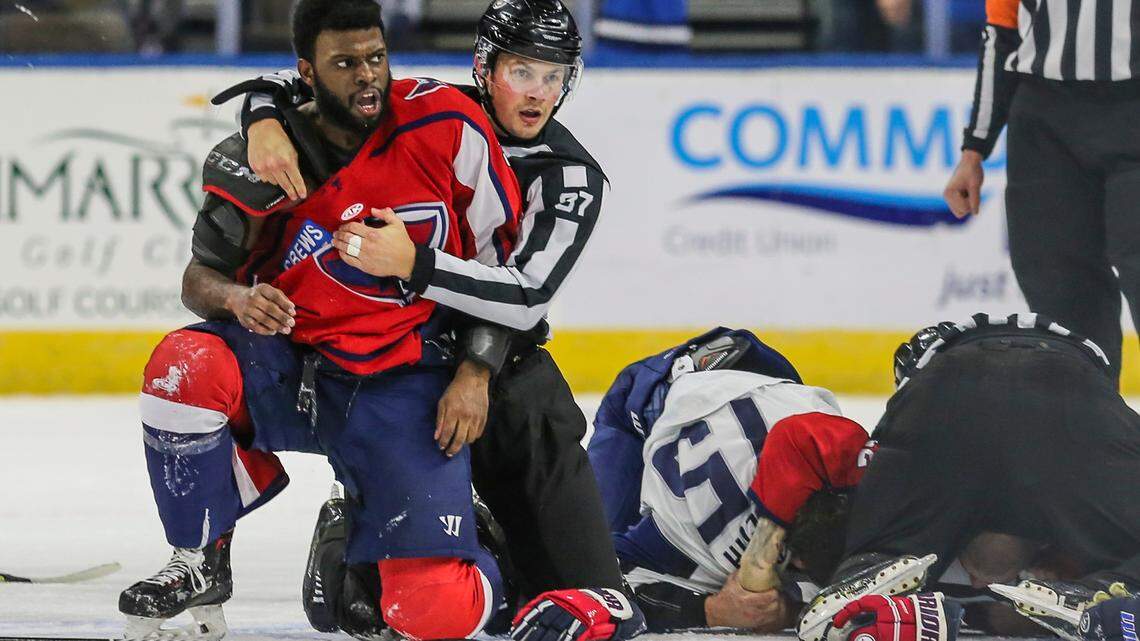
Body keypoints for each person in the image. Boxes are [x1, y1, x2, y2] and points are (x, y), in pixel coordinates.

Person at [229, 3, 646, 640]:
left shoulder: (568, 176)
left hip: (508, 384)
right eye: (522, 72)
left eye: (553, 75)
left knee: (590, 606)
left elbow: (526, 296)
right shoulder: (434, 108)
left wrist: (420, 272)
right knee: (378, 610)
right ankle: (362, 546)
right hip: (404, 373)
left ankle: (469, 537)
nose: (538, 93)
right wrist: (261, 116)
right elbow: (321, 88)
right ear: (485, 67)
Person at [117, 1, 526, 639]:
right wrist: (236, 300)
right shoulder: (264, 155)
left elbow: (503, 269)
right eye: (344, 64)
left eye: (376, 58)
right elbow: (198, 281)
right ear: (307, 72)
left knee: (431, 614)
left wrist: (476, 373)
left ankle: (473, 548)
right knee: (183, 366)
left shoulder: (449, 125)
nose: (367, 77)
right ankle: (197, 558)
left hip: (404, 379)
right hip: (290, 369)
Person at [796, 313, 1140, 641]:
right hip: (1077, 394)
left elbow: (866, 476)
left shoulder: (925, 379)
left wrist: (866, 541)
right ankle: (1100, 589)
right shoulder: (1096, 391)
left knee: (883, 548)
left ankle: (862, 575)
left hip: (943, 391)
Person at [586, 327, 873, 633]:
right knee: (581, 571)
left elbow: (800, 436)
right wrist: (710, 612)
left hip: (751, 370)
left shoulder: (848, 470)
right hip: (649, 397)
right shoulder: (698, 522)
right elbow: (608, 587)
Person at [944, 0, 1140, 384]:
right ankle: (1085, 429)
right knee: (1059, 283)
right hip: (1045, 124)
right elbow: (1002, 29)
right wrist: (974, 148)